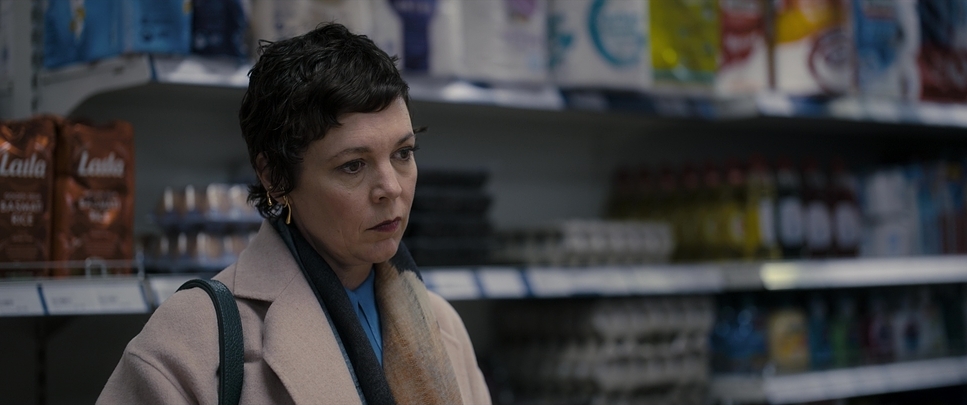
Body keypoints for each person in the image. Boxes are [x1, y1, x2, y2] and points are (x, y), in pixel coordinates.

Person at [97, 23, 492, 405]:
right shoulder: (192, 341)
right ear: (275, 176)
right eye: (353, 165)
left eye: (403, 154)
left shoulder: (443, 325)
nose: (391, 187)